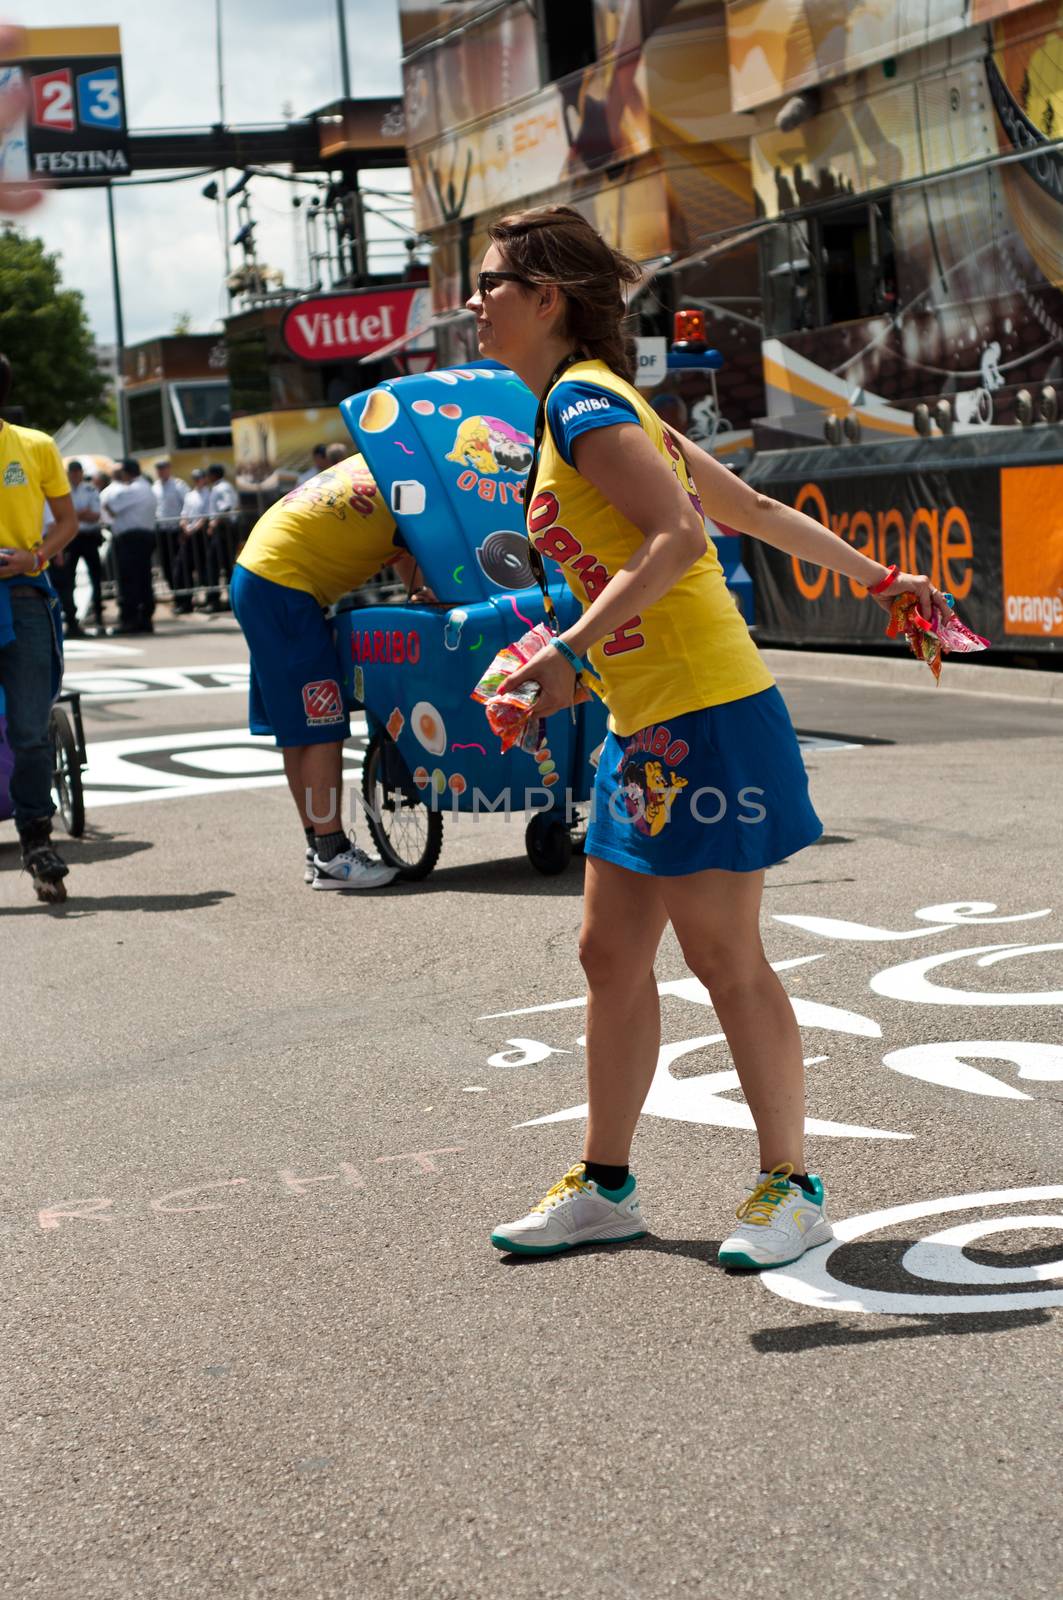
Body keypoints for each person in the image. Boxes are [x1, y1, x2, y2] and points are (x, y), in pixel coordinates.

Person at [476, 208, 950, 1268]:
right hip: (646, 720)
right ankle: (604, 1186)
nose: (476, 301)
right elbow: (751, 512)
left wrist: (567, 652)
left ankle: (792, 1186)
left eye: (493, 282)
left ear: (547, 298)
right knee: (607, 952)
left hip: (706, 712)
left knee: (722, 956)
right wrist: (883, 582)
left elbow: (681, 532)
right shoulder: (594, 403)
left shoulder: (589, 401)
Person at [230, 452, 432, 890]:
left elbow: (403, 553)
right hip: (284, 586)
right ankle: (332, 854)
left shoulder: (381, 461)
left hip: (261, 576)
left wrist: (420, 590)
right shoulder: (419, 484)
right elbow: (425, 555)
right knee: (322, 725)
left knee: (298, 729)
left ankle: (317, 846)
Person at [0, 352, 77, 898]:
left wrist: (36, 557)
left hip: (24, 597)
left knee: (29, 731)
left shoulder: (35, 445)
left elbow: (67, 521)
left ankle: (35, 838)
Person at [99, 458, 158, 635]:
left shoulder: (134, 489)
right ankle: (144, 618)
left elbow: (110, 507)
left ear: (126, 473)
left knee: (129, 580)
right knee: (143, 579)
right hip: (142, 537)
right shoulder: (145, 487)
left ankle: (130, 620)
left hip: (131, 539)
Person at [49, 459, 104, 636]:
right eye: (72, 472)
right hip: (70, 539)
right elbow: (63, 517)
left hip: (88, 537)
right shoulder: (62, 491)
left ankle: (99, 617)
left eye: (77, 472)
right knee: (68, 579)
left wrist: (73, 515)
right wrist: (79, 514)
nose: (75, 475)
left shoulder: (90, 489)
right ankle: (71, 619)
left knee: (96, 577)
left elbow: (94, 515)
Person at [152, 457, 189, 610]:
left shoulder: (178, 485)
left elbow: (188, 504)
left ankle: (185, 599)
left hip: (176, 530)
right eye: (159, 468)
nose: (161, 471)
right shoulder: (154, 487)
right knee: (166, 566)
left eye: (164, 468)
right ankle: (176, 596)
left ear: (169, 469)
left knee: (179, 566)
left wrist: (183, 526)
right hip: (162, 530)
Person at [203, 462, 239, 612]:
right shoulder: (223, 487)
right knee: (225, 565)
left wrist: (214, 523)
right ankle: (231, 600)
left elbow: (226, 506)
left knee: (214, 564)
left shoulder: (221, 488)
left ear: (214, 475)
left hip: (224, 529)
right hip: (226, 529)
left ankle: (214, 601)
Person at [174, 466, 210, 611]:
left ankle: (209, 598)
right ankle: (185, 602)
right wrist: (185, 526)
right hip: (189, 535)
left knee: (205, 568)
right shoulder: (190, 495)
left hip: (201, 535)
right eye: (195, 478)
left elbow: (206, 515)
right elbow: (185, 513)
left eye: (200, 478)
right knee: (182, 568)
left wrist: (194, 528)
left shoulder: (209, 494)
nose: (197, 481)